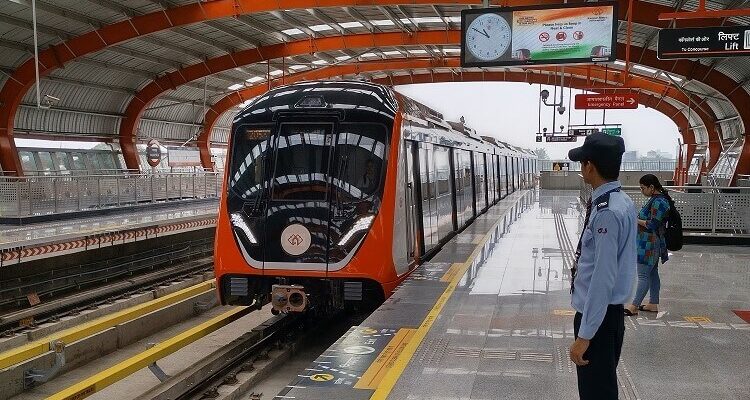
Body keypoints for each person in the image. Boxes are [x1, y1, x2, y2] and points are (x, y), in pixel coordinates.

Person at [567, 132, 637, 400]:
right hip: (609, 317)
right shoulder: (622, 201)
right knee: (601, 389)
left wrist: (585, 335)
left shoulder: (606, 212)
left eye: (582, 163)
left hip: (598, 318)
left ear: (590, 166)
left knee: (597, 393)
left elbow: (603, 278)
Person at [624, 174, 671, 316]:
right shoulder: (656, 200)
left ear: (652, 187)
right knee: (652, 274)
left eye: (642, 188)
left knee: (643, 275)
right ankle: (653, 303)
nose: (641, 191)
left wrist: (635, 219)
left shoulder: (659, 202)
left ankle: (634, 306)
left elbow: (652, 224)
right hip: (648, 242)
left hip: (649, 244)